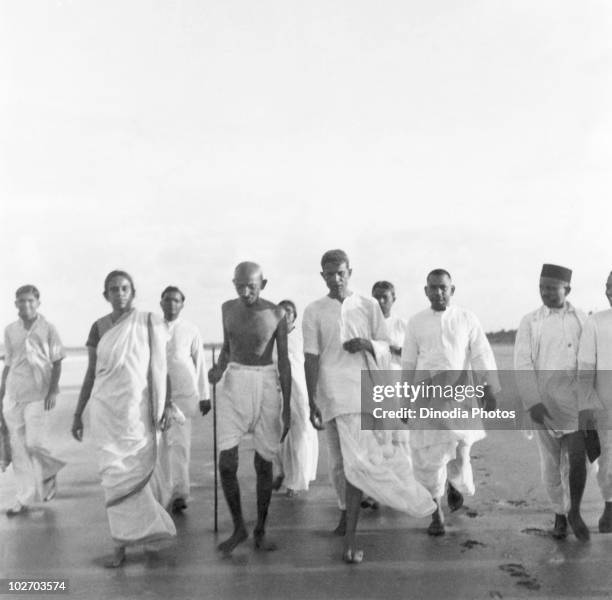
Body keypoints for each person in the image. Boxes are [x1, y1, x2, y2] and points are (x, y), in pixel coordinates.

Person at [303, 249, 435, 564]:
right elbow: (310, 357)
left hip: (361, 393)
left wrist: (367, 344)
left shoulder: (368, 305)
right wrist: (310, 399)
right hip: (330, 394)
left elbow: (386, 347)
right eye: (329, 273)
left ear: (350, 271)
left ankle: (351, 540)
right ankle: (348, 523)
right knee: (341, 464)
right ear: (322, 275)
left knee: (357, 466)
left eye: (341, 272)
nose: (335, 279)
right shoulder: (314, 310)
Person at [71, 271, 176, 568]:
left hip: (139, 412)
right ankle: (119, 543)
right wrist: (78, 413)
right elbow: (92, 372)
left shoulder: (148, 322)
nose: (120, 293)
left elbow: (160, 367)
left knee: (140, 476)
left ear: (133, 291)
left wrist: (166, 404)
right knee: (113, 479)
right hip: (106, 412)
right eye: (114, 289)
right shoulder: (98, 327)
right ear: (105, 294)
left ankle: (149, 535)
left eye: (125, 288)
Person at [402, 269, 499, 536]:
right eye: (433, 288)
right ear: (426, 291)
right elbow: (408, 363)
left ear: (452, 290)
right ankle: (437, 513)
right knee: (428, 457)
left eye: (443, 288)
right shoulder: (416, 322)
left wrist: (489, 388)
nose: (438, 292)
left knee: (460, 452)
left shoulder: (467, 319)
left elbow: (481, 354)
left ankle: (455, 484)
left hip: (460, 397)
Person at [208, 262, 291, 555]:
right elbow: (228, 348)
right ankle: (239, 527)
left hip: (266, 382)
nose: (245, 292)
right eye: (239, 286)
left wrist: (288, 407)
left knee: (263, 462)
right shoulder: (227, 308)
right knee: (227, 463)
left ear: (263, 284)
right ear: (233, 284)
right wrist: (218, 369)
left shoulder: (277, 313)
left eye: (251, 287)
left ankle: (260, 529)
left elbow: (283, 361)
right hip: (234, 380)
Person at [514, 263, 589, 541]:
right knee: (551, 463)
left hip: (577, 403)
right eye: (541, 287)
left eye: (551, 288)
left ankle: (575, 511)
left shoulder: (582, 318)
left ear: (566, 289)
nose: (545, 293)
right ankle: (560, 514)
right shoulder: (530, 321)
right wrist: (532, 402)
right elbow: (522, 363)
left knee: (578, 461)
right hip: (544, 404)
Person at [0, 285, 66, 516]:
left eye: (30, 301)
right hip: (13, 395)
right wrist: (1, 397)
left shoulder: (48, 328)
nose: (25, 305)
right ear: (15, 303)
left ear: (38, 303)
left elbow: (57, 360)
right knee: (18, 450)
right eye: (21, 301)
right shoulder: (10, 330)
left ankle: (50, 470)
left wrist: (53, 390)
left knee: (34, 443)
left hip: (39, 394)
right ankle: (23, 498)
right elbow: (8, 364)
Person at [159, 285, 211, 513]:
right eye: (167, 300)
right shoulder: (152, 328)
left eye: (176, 300)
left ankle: (180, 493)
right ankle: (161, 492)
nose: (171, 304)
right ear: (161, 302)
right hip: (157, 395)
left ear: (182, 304)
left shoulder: (190, 329)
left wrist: (205, 395)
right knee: (160, 445)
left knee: (180, 445)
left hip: (184, 395)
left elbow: (200, 363)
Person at [578, 270, 612, 533]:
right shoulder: (596, 322)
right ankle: (610, 505)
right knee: (608, 458)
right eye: (608, 287)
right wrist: (587, 404)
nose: (610, 292)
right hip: (606, 403)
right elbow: (586, 366)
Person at [274, 300, 318, 497]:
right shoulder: (271, 339)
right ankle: (281, 472)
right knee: (276, 434)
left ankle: (296, 480)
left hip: (299, 390)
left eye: (289, 312)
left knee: (300, 434)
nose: (285, 316)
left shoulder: (302, 338)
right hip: (276, 390)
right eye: (281, 312)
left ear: (295, 315)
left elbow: (312, 363)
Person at [372, 281, 407, 370]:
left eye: (385, 297)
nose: (380, 301)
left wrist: (395, 350)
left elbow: (417, 354)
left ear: (393, 299)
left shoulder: (403, 325)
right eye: (377, 297)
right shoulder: (363, 326)